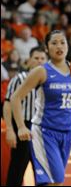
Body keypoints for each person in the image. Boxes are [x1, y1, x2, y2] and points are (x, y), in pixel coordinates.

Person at [11, 30, 71, 186]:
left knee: (51, 182)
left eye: (62, 42)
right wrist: (21, 127)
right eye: (54, 43)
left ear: (68, 45)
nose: (59, 46)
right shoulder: (41, 71)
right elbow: (16, 98)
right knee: (56, 181)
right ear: (46, 48)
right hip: (44, 132)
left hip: (67, 133)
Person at [3, 46, 47, 186]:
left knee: (42, 172)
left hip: (43, 129)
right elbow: (8, 104)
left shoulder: (49, 81)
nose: (39, 61)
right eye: (36, 58)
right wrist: (10, 129)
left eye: (42, 58)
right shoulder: (19, 78)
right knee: (17, 168)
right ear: (29, 60)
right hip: (23, 126)